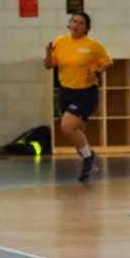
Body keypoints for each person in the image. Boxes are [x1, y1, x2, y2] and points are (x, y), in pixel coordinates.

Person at [43, 11, 112, 181]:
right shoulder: (60, 42)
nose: (76, 25)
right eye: (74, 21)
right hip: (66, 91)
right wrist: (47, 54)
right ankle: (87, 159)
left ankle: (88, 158)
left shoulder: (92, 45)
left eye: (81, 23)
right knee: (77, 130)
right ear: (69, 24)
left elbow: (107, 61)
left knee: (67, 126)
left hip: (86, 92)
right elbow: (49, 65)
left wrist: (96, 73)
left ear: (86, 27)